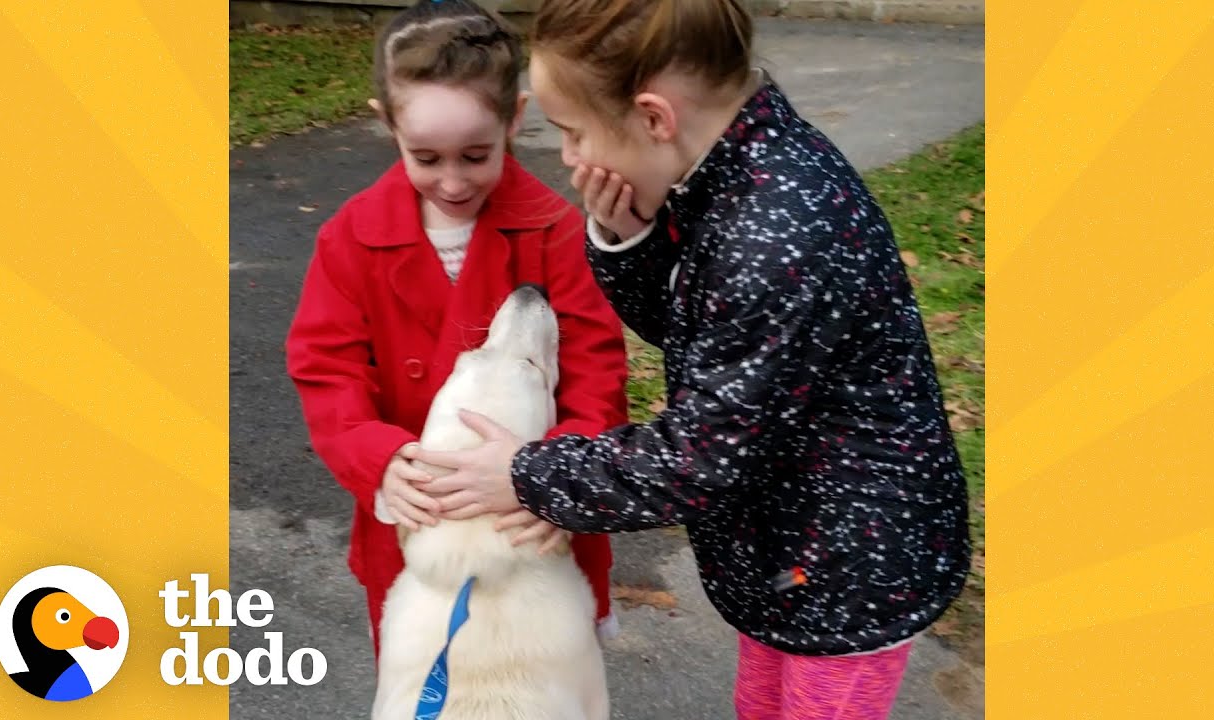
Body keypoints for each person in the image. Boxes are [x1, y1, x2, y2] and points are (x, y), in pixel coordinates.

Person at [403, 1, 972, 717]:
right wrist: (628, 237)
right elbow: (701, 336)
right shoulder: (735, 170)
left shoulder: (774, 231)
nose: (571, 159)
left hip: (850, 563)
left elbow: (701, 456)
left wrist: (526, 474)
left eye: (574, 133)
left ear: (653, 117)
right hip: (798, 545)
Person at [284, 0, 627, 661]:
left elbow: (597, 376)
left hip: (531, 520)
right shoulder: (350, 239)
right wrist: (375, 455)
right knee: (431, 682)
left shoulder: (555, 231)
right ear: (387, 125)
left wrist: (553, 477)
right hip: (420, 522)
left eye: (475, 155)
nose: (451, 180)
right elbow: (326, 368)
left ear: (514, 120)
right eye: (426, 156)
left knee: (539, 682)